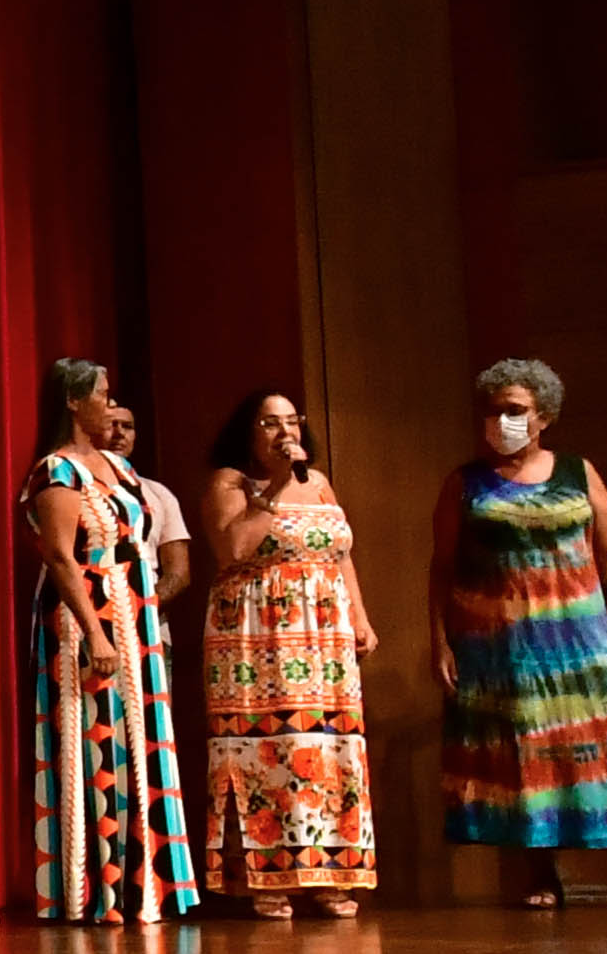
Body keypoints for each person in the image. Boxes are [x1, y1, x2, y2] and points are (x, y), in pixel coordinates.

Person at [429, 357, 607, 910]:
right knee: (527, 754)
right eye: (493, 411)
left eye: (515, 410)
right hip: (505, 644)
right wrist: (440, 641)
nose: (502, 421)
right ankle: (542, 875)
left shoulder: (578, 472)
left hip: (582, 640)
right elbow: (443, 567)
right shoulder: (466, 483)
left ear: (544, 416)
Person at [24, 359, 198, 924]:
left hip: (136, 613)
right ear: (74, 402)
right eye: (102, 394)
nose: (110, 403)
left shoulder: (119, 469)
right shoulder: (56, 470)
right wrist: (95, 633)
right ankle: (97, 886)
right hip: (90, 616)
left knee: (140, 740)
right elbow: (60, 556)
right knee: (98, 738)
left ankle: (144, 883)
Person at [197, 388, 378, 919]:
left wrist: (359, 617)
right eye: (270, 423)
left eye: (292, 422)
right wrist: (275, 486)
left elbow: (340, 553)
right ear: (248, 432)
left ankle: (327, 874)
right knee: (268, 749)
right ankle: (264, 878)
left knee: (327, 747)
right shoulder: (230, 483)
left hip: (324, 638)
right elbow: (234, 548)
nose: (285, 433)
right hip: (257, 638)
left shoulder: (317, 482)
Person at [112, 405, 194, 606]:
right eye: (111, 425)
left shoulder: (158, 493)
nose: (119, 433)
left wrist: (143, 610)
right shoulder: (77, 486)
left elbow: (178, 573)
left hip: (148, 610)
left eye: (127, 426)